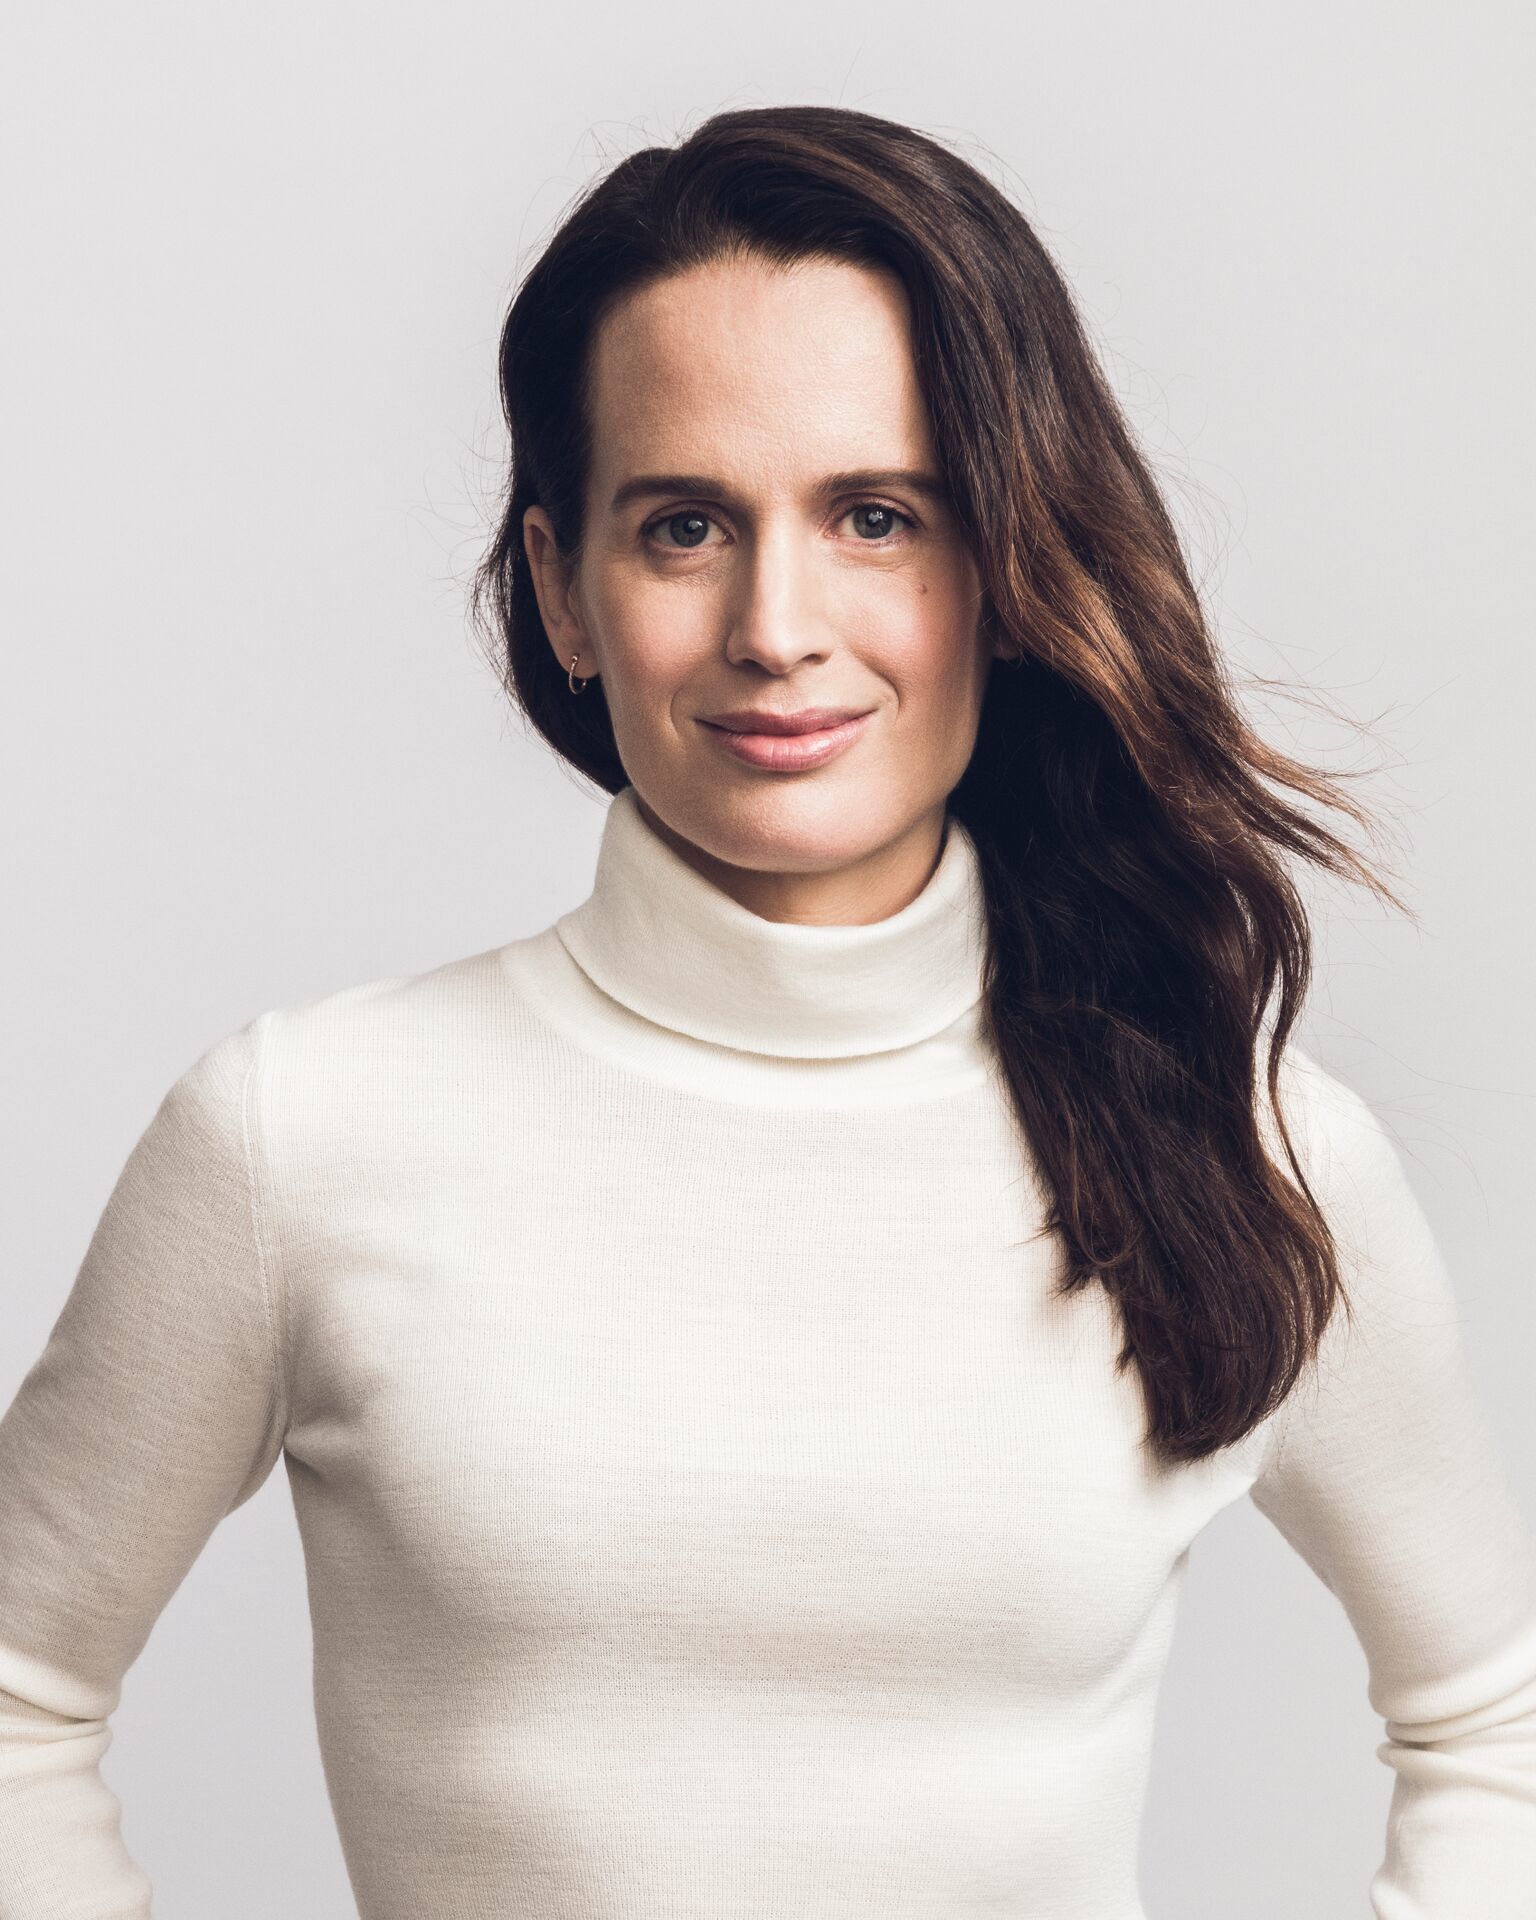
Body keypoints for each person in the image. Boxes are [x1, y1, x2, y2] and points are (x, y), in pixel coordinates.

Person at [1, 102, 1533, 1919]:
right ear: (563, 589)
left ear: (1008, 569)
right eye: (684, 528)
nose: (777, 626)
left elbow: (1492, 1719)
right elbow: (19, 1697)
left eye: (878, 517)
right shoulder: (303, 1133)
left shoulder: (1242, 1144)